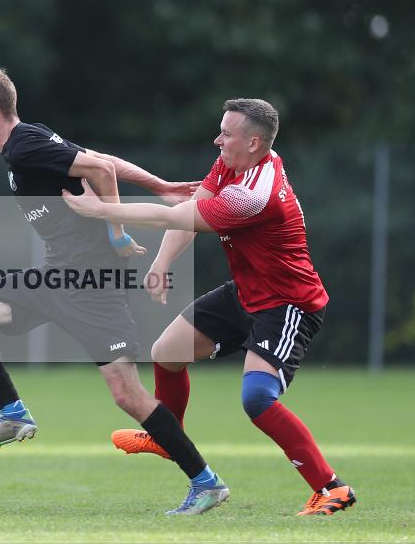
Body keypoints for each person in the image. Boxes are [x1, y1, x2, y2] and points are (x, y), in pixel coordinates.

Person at [0, 66, 229, 515]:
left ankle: (206, 482)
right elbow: (105, 163)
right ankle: (13, 413)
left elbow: (98, 170)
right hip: (55, 277)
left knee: (127, 395)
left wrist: (115, 229)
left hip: (91, 286)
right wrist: (160, 186)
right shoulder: (28, 140)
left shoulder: (24, 145)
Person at [62, 98, 356, 516]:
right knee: (166, 353)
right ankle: (169, 435)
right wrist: (162, 263)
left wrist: (100, 210)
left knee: (257, 398)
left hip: (288, 303)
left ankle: (332, 488)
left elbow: (172, 217)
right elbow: (190, 208)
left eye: (226, 134)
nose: (217, 140)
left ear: (254, 142)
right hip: (247, 292)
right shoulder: (236, 164)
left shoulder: (254, 194)